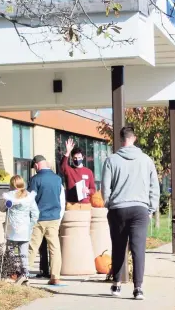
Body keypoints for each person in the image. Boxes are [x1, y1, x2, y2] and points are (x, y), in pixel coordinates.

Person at [101, 126, 160, 300]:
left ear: (120, 139)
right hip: (140, 209)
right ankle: (138, 288)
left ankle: (117, 284)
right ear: (134, 138)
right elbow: (154, 187)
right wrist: (151, 209)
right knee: (138, 249)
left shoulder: (111, 160)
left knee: (118, 247)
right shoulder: (146, 160)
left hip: (118, 208)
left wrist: (109, 204)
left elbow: (105, 188)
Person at [27, 155, 65, 285]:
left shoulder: (35, 179)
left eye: (34, 167)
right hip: (54, 217)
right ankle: (55, 277)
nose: (34, 169)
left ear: (37, 165)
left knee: (32, 247)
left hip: (39, 218)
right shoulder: (57, 179)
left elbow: (30, 200)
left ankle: (23, 274)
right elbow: (60, 197)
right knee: (54, 247)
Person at [0, 175, 39, 285]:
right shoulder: (29, 197)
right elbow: (35, 213)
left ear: (11, 184)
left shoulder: (8, 196)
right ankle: (25, 275)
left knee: (11, 252)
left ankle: (13, 274)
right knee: (23, 254)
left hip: (11, 229)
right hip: (24, 230)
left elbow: (1, 208)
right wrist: (30, 225)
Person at [60, 138, 97, 210]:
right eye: (75, 158)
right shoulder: (69, 170)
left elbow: (93, 189)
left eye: (79, 157)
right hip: (72, 204)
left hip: (85, 204)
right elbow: (62, 166)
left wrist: (88, 191)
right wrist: (67, 152)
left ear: (83, 157)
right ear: (72, 158)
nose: (77, 160)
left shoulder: (88, 172)